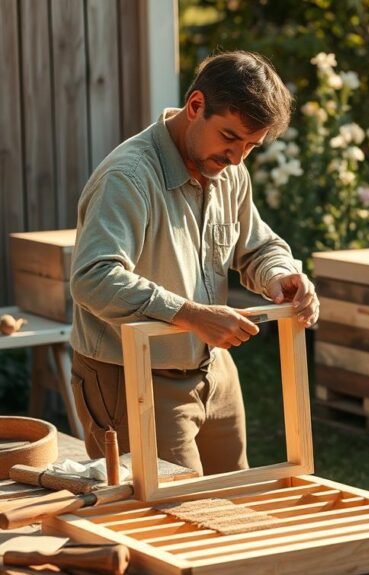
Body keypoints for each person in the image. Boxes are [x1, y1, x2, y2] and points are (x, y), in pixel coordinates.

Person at [68, 51, 319, 476]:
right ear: (196, 105)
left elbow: (255, 246)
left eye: (250, 147)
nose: (237, 157)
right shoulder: (128, 177)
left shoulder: (229, 170)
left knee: (234, 502)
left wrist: (281, 274)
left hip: (213, 368)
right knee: (169, 522)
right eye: (229, 137)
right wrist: (190, 314)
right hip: (134, 375)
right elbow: (93, 277)